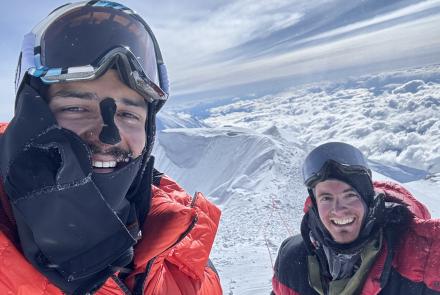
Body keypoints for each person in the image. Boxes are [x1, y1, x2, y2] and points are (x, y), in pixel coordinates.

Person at [0, 1, 222, 294]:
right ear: (31, 114)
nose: (110, 136)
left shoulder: (184, 256)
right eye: (77, 107)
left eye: (129, 115)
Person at [272, 142, 440, 295]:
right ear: (315, 205)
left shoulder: (421, 259)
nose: (338, 210)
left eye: (350, 195)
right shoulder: (292, 259)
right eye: (326, 198)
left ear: (368, 200)